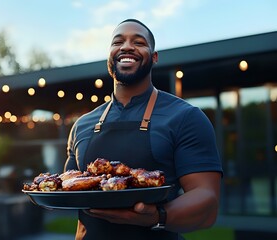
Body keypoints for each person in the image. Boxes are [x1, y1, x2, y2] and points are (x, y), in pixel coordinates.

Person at [64, 19, 223, 240]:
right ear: (110, 56)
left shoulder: (186, 117)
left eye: (138, 42)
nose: (126, 46)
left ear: (154, 57)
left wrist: (156, 216)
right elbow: (65, 190)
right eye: (118, 41)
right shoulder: (82, 125)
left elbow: (207, 201)